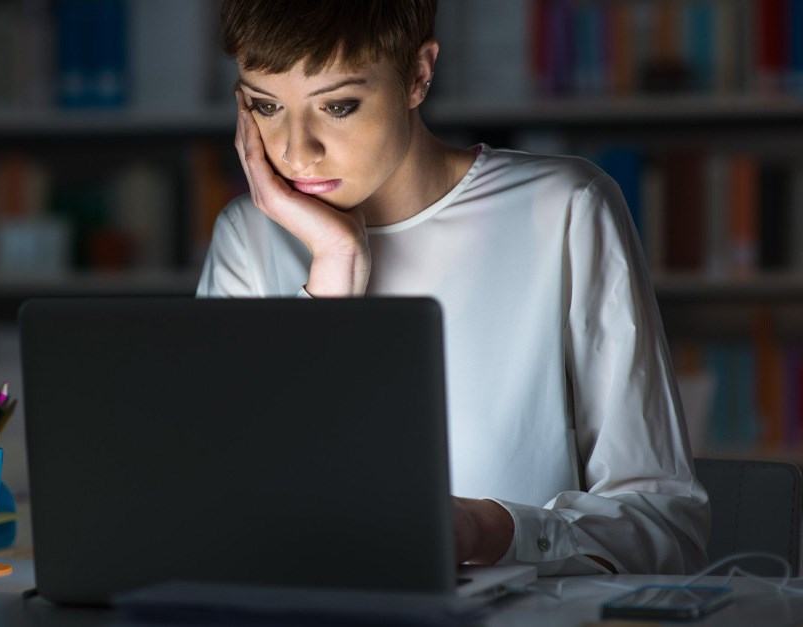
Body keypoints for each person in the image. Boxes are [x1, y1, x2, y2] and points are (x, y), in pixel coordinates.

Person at [197, 0, 709, 576]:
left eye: (338, 106)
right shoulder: (248, 236)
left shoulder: (566, 207)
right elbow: (222, 512)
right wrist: (332, 271)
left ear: (419, 75)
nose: (295, 152)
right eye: (266, 106)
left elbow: (666, 528)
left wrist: (484, 529)